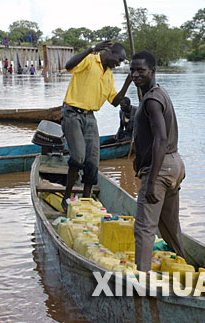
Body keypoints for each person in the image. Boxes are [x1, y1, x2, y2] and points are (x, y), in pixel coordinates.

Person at [60, 41, 132, 211]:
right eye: (119, 59)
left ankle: (86, 200)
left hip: (90, 117)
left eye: (122, 62)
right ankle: (66, 196)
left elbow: (115, 102)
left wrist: (128, 83)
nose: (118, 64)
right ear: (110, 52)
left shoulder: (109, 75)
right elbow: (69, 65)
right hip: (72, 113)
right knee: (78, 157)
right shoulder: (90, 60)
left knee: (92, 162)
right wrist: (91, 48)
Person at [130, 50, 186, 272]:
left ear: (153, 71)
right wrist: (139, 158)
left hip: (160, 169)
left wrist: (152, 180)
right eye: (132, 70)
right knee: (169, 226)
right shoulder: (158, 93)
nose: (135, 75)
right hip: (175, 165)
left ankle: (141, 279)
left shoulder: (152, 100)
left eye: (141, 70)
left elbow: (161, 139)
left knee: (144, 228)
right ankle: (183, 264)